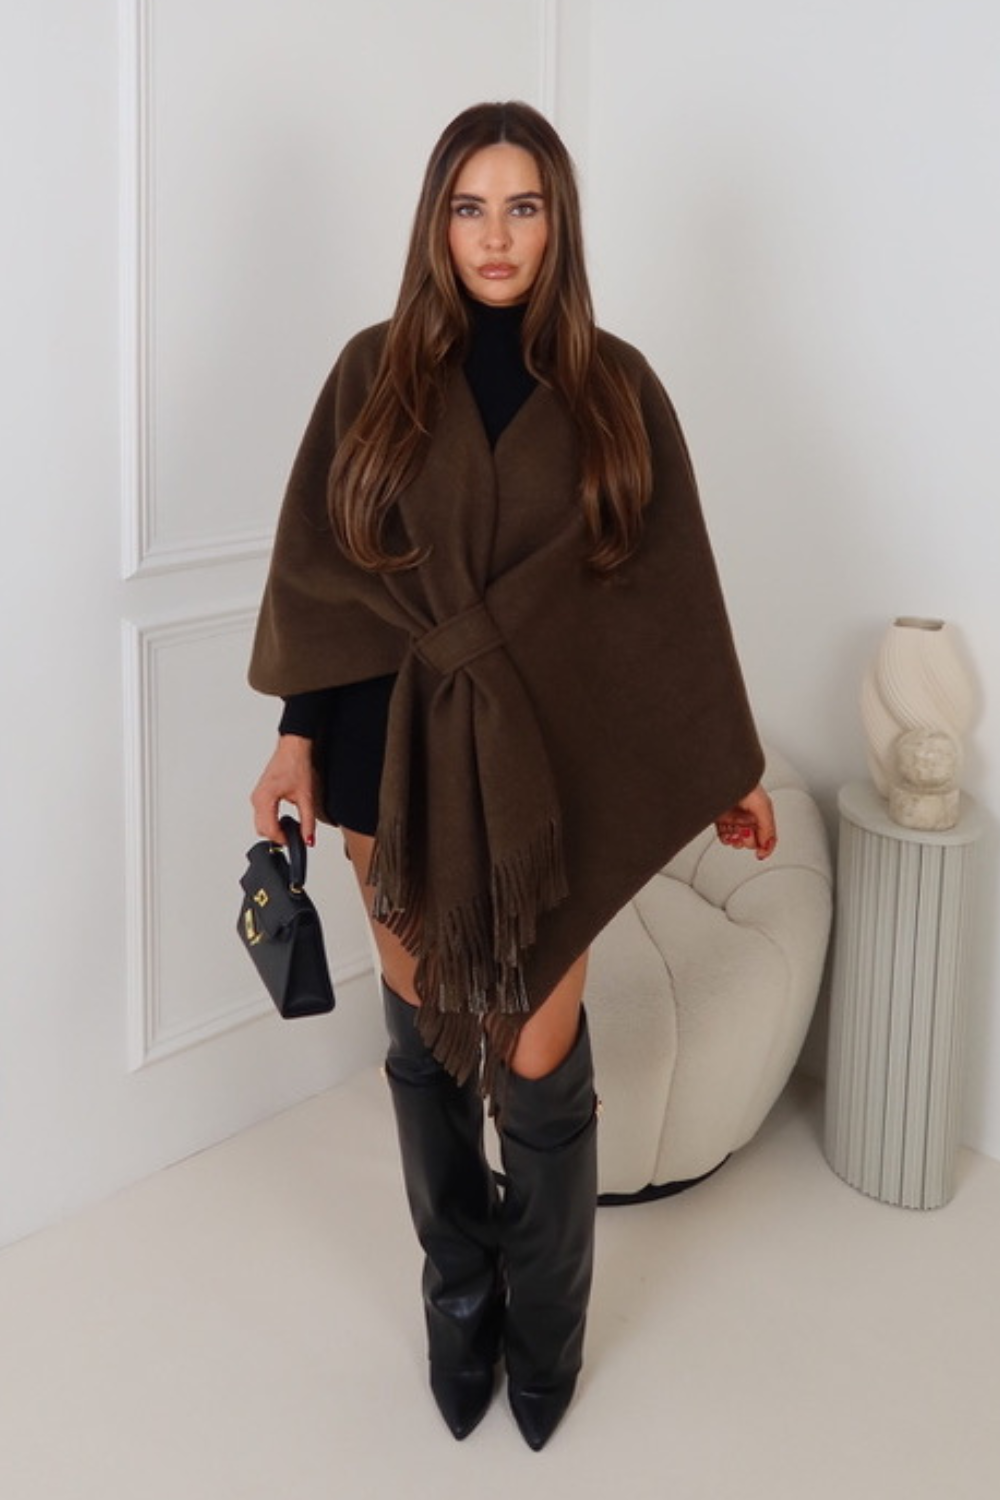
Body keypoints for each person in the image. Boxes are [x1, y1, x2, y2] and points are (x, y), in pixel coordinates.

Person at [249, 100, 776, 1451]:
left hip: (546, 766)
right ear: (438, 223)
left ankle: (547, 1327)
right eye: (471, 207)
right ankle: (459, 1302)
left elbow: (668, 595)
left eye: (523, 207)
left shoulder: (616, 389)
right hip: (387, 748)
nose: (496, 236)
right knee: (427, 1028)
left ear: (558, 223)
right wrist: (296, 738)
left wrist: (726, 761)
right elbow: (327, 573)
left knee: (537, 1046)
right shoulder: (372, 373)